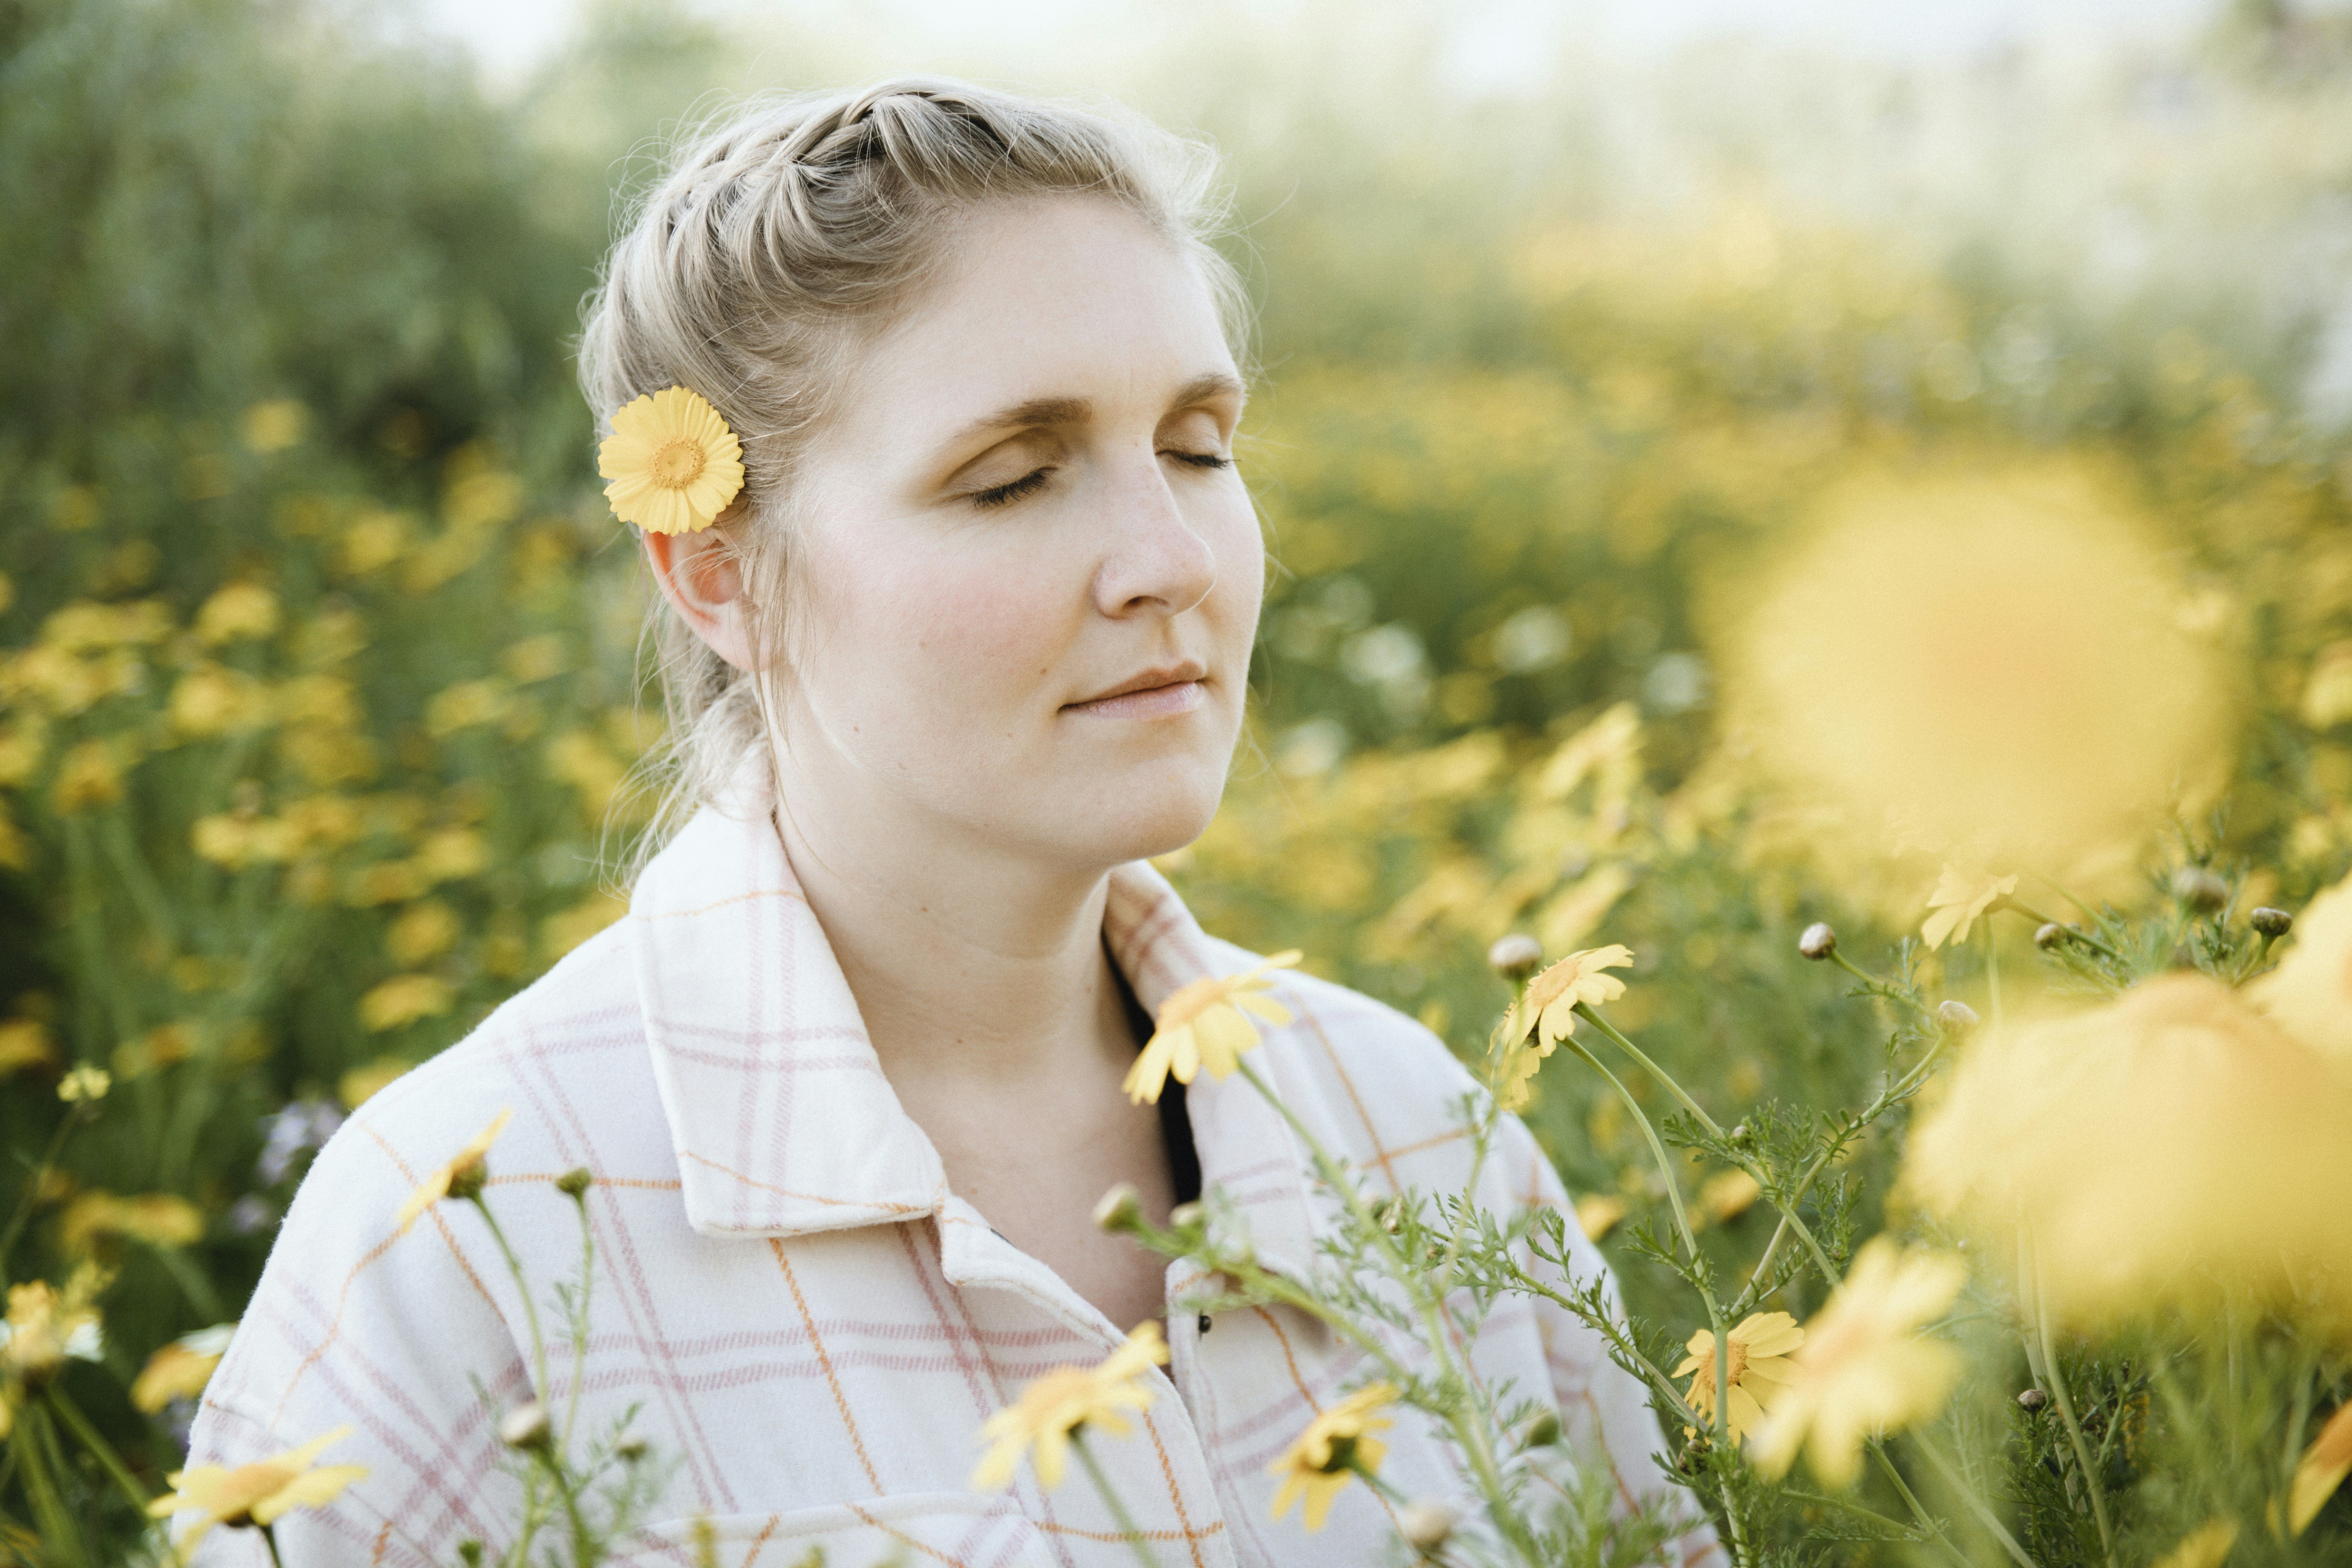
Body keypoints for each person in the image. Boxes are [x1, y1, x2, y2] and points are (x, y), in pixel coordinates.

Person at [182, 79, 1717, 1567]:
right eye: (1009, 480)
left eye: (1198, 448)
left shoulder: (1411, 1132)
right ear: (714, 574)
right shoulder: (468, 1251)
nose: (1167, 558)